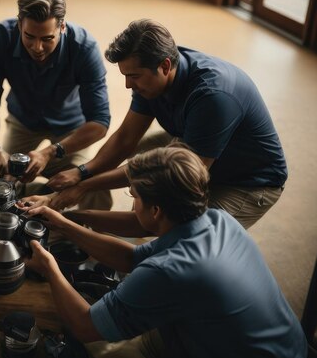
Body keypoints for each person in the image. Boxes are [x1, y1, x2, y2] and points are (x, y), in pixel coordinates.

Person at [25, 146, 307, 358]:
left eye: (134, 198)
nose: (133, 205)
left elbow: (85, 326)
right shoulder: (217, 220)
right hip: (284, 346)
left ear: (156, 210)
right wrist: (66, 223)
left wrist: (50, 267)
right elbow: (130, 258)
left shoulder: (170, 271)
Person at [48, 19, 287, 228]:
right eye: (125, 76)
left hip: (248, 182)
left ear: (164, 66)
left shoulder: (213, 96)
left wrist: (84, 188)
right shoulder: (154, 73)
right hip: (194, 142)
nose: (128, 86)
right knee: (143, 172)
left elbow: (180, 175)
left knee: (184, 233)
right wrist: (82, 173)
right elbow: (125, 139)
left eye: (133, 76)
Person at [0, 0, 111, 210]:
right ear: (19, 25)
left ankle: (89, 240)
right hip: (22, 120)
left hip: (70, 128)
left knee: (93, 186)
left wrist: (51, 152)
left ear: (62, 27)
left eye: (47, 38)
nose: (37, 47)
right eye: (29, 36)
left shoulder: (85, 48)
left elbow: (100, 123)